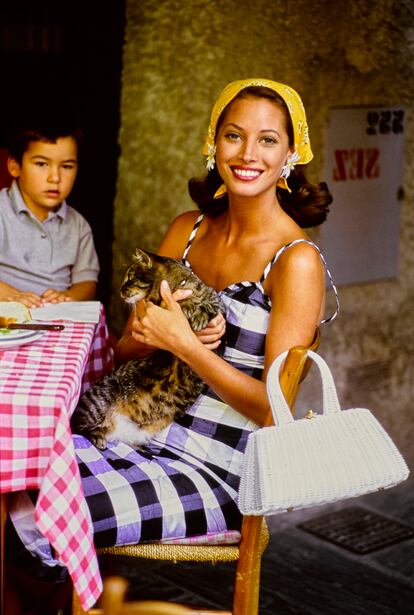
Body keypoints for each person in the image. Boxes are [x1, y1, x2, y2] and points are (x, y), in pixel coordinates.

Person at [7, 79, 339, 612]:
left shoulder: (295, 260)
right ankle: (89, 599)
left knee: (38, 517)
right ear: (213, 143)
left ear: (291, 155)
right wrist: (145, 336)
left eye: (267, 140)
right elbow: (123, 353)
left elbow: (273, 412)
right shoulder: (187, 230)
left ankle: (91, 600)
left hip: (215, 466)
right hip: (138, 427)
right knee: (13, 482)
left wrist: (186, 345)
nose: (248, 154)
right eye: (234, 136)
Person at [0, 116, 99, 307]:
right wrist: (9, 295)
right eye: (41, 164)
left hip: (56, 320)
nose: (55, 177)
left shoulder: (78, 226)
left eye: (67, 166)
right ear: (14, 166)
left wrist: (68, 297)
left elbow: (87, 284)